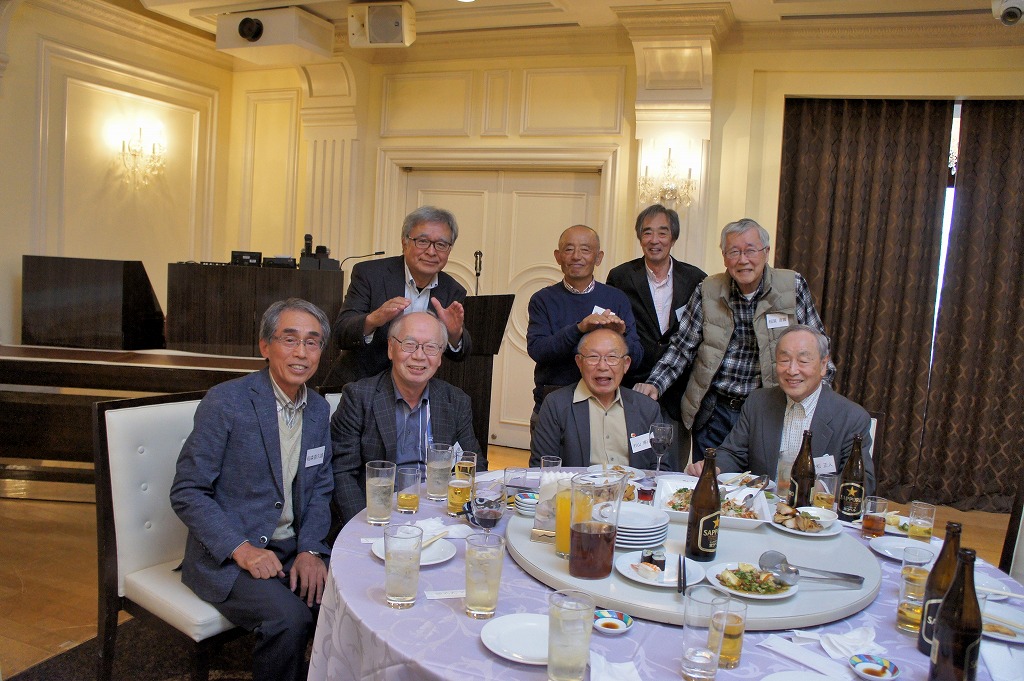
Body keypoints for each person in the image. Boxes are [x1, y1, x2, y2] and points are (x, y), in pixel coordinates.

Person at [170, 299, 334, 681]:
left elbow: (320, 489)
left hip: (290, 549)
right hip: (229, 556)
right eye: (289, 339)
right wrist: (242, 549)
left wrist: (311, 549)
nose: (301, 352)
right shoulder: (226, 402)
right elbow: (188, 491)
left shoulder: (318, 409)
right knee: (289, 619)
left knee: (342, 601)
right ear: (265, 346)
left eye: (312, 342)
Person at [634, 217, 834, 464]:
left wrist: (824, 400)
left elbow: (817, 346)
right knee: (711, 480)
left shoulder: (791, 286)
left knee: (761, 480)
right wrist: (655, 384)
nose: (742, 260)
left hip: (768, 410)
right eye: (734, 252)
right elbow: (682, 347)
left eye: (750, 250)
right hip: (714, 413)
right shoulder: (708, 289)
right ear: (724, 257)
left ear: (766, 252)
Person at [331, 311, 481, 526]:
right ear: (391, 348)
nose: (419, 356)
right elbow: (342, 473)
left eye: (431, 347)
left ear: (440, 356)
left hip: (440, 515)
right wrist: (361, 525)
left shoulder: (455, 401)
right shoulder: (359, 397)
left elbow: (474, 465)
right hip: (380, 514)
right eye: (409, 344)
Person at [685, 325, 874, 494]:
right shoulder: (758, 403)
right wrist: (712, 467)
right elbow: (734, 453)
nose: (792, 370)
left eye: (803, 361)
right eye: (784, 360)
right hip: (760, 510)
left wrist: (819, 488)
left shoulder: (852, 418)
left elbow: (865, 481)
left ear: (824, 365)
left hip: (812, 514)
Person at [325, 205, 471, 386]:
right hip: (358, 384)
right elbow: (341, 333)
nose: (431, 251)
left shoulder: (452, 290)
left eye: (441, 244)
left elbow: (461, 353)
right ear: (404, 242)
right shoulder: (370, 274)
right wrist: (374, 319)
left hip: (414, 390)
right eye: (422, 241)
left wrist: (454, 334)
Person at [526, 224, 643, 428]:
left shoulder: (616, 298)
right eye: (569, 249)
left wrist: (620, 337)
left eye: (585, 250)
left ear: (598, 257)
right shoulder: (542, 299)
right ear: (558, 256)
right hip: (554, 404)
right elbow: (538, 350)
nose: (576, 256)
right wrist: (579, 329)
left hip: (607, 406)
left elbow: (637, 357)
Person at [530, 328, 667, 470]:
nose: (602, 366)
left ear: (626, 364)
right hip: (575, 485)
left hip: (633, 484)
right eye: (593, 357)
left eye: (612, 357)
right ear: (579, 362)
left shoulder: (647, 408)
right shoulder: (556, 405)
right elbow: (542, 468)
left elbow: (660, 467)